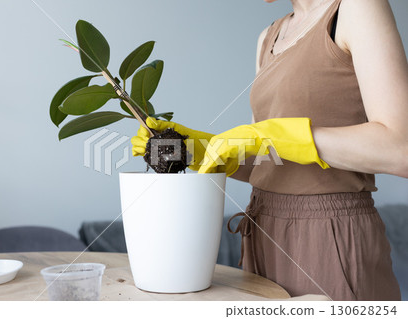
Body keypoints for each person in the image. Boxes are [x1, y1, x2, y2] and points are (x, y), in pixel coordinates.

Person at [131, 0, 407, 301]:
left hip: (329, 235)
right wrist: (200, 150)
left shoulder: (356, 9)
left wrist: (273, 136)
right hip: (262, 232)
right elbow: (266, 159)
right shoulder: (269, 37)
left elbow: (400, 150)